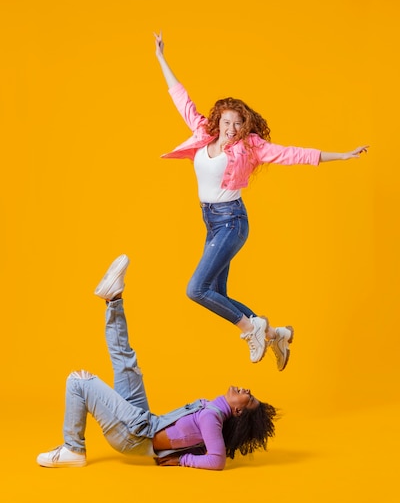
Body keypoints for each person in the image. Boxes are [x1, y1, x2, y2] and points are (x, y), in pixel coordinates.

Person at [154, 32, 369, 369]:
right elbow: (182, 99)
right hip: (210, 221)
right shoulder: (202, 134)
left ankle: (251, 328)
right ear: (217, 121)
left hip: (231, 222)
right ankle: (277, 333)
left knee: (196, 289)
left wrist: (341, 156)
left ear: (244, 126)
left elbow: (293, 154)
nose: (230, 128)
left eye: (237, 124)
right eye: (226, 122)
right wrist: (162, 58)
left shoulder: (252, 147)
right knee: (216, 294)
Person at [37, 255, 277, 470]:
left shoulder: (212, 417)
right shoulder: (213, 413)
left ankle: (73, 448)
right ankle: (113, 299)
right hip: (143, 421)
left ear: (238, 411)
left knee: (79, 382)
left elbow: (217, 460)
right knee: (126, 362)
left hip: (134, 433)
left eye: (250, 397)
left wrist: (182, 460)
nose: (246, 390)